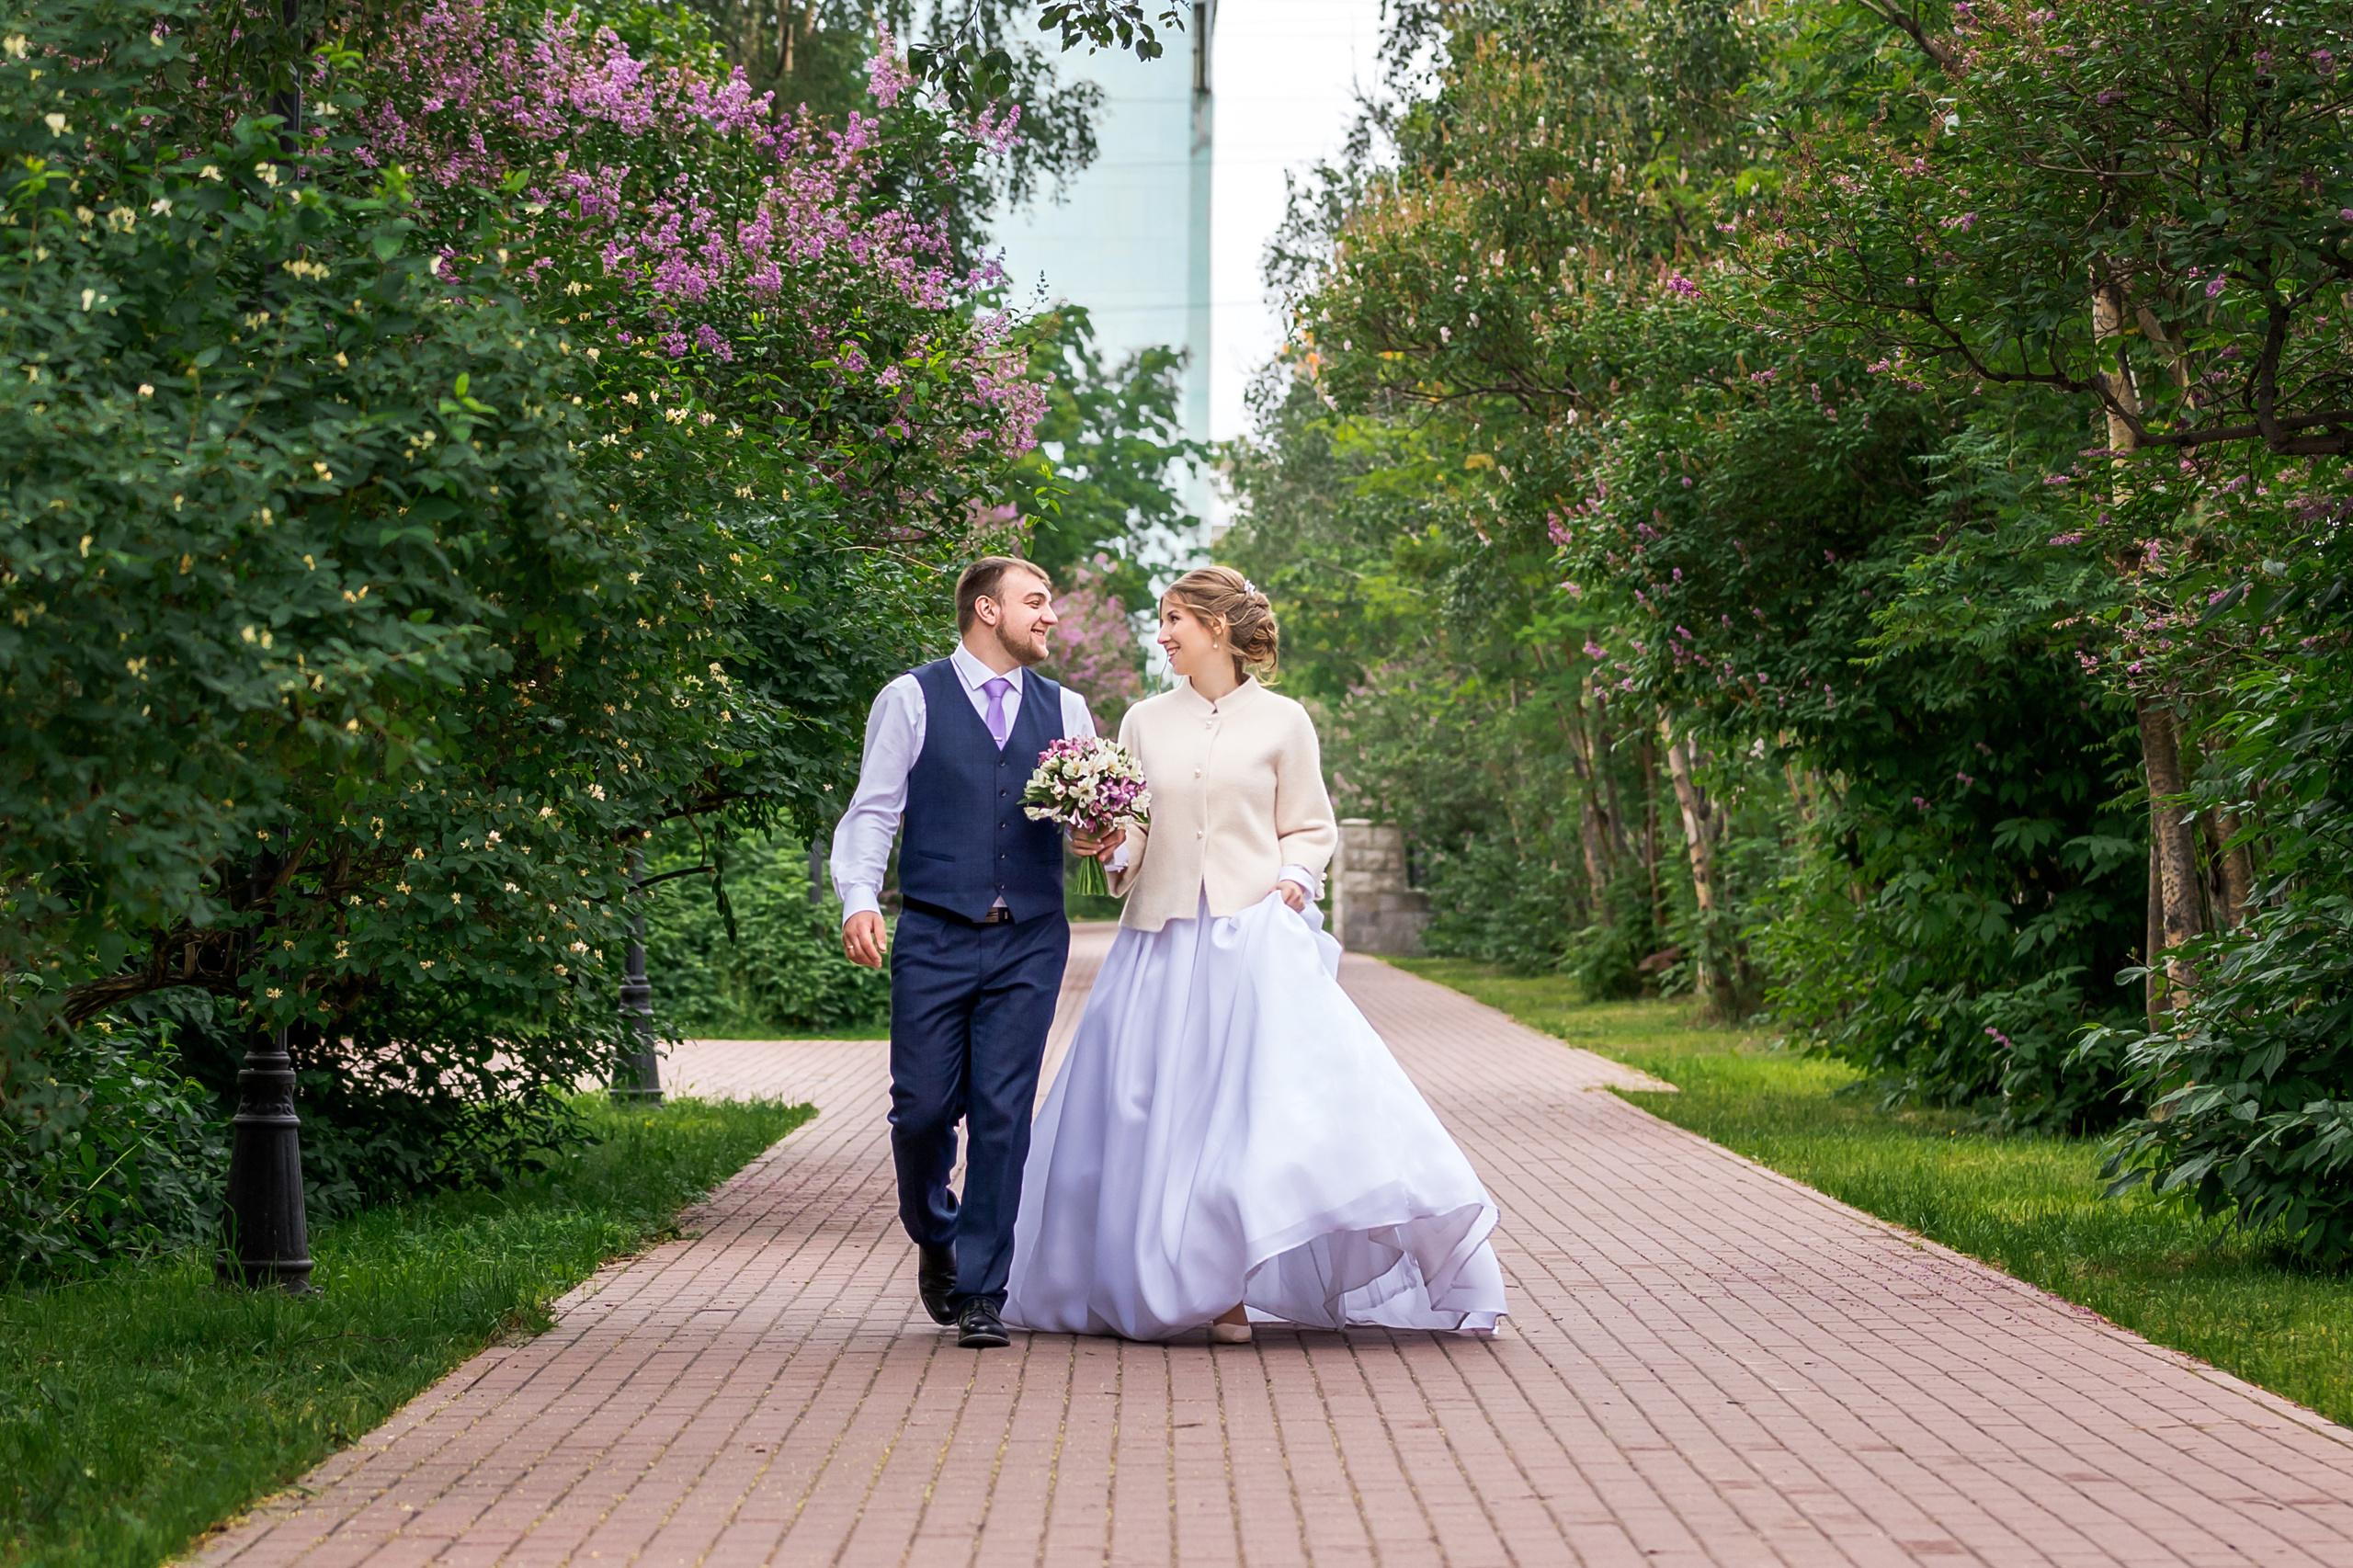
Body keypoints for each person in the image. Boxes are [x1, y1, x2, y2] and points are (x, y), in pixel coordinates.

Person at [1006, 565, 1507, 1343]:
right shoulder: (1142, 720)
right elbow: (1134, 829)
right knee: (1151, 1117)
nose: (1162, 634)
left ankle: (1226, 1284)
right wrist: (1108, 848)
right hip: (1160, 947)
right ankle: (1181, 1287)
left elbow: (1310, 825)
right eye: (1161, 620)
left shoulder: (1284, 722)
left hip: (1251, 942)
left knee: (1242, 1120)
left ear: (1216, 628)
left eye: (1174, 620)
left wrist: (1296, 880)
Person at [832, 556, 1120, 1350]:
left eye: (1052, 603)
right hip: (932, 932)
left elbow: (1090, 820)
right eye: (1036, 602)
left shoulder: (1068, 708)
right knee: (922, 1110)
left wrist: (1097, 835)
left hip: (1030, 937)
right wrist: (860, 899)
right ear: (986, 611)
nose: (1052, 616)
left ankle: (984, 1289)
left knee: (1003, 1113)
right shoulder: (911, 698)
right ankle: (935, 1229)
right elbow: (873, 811)